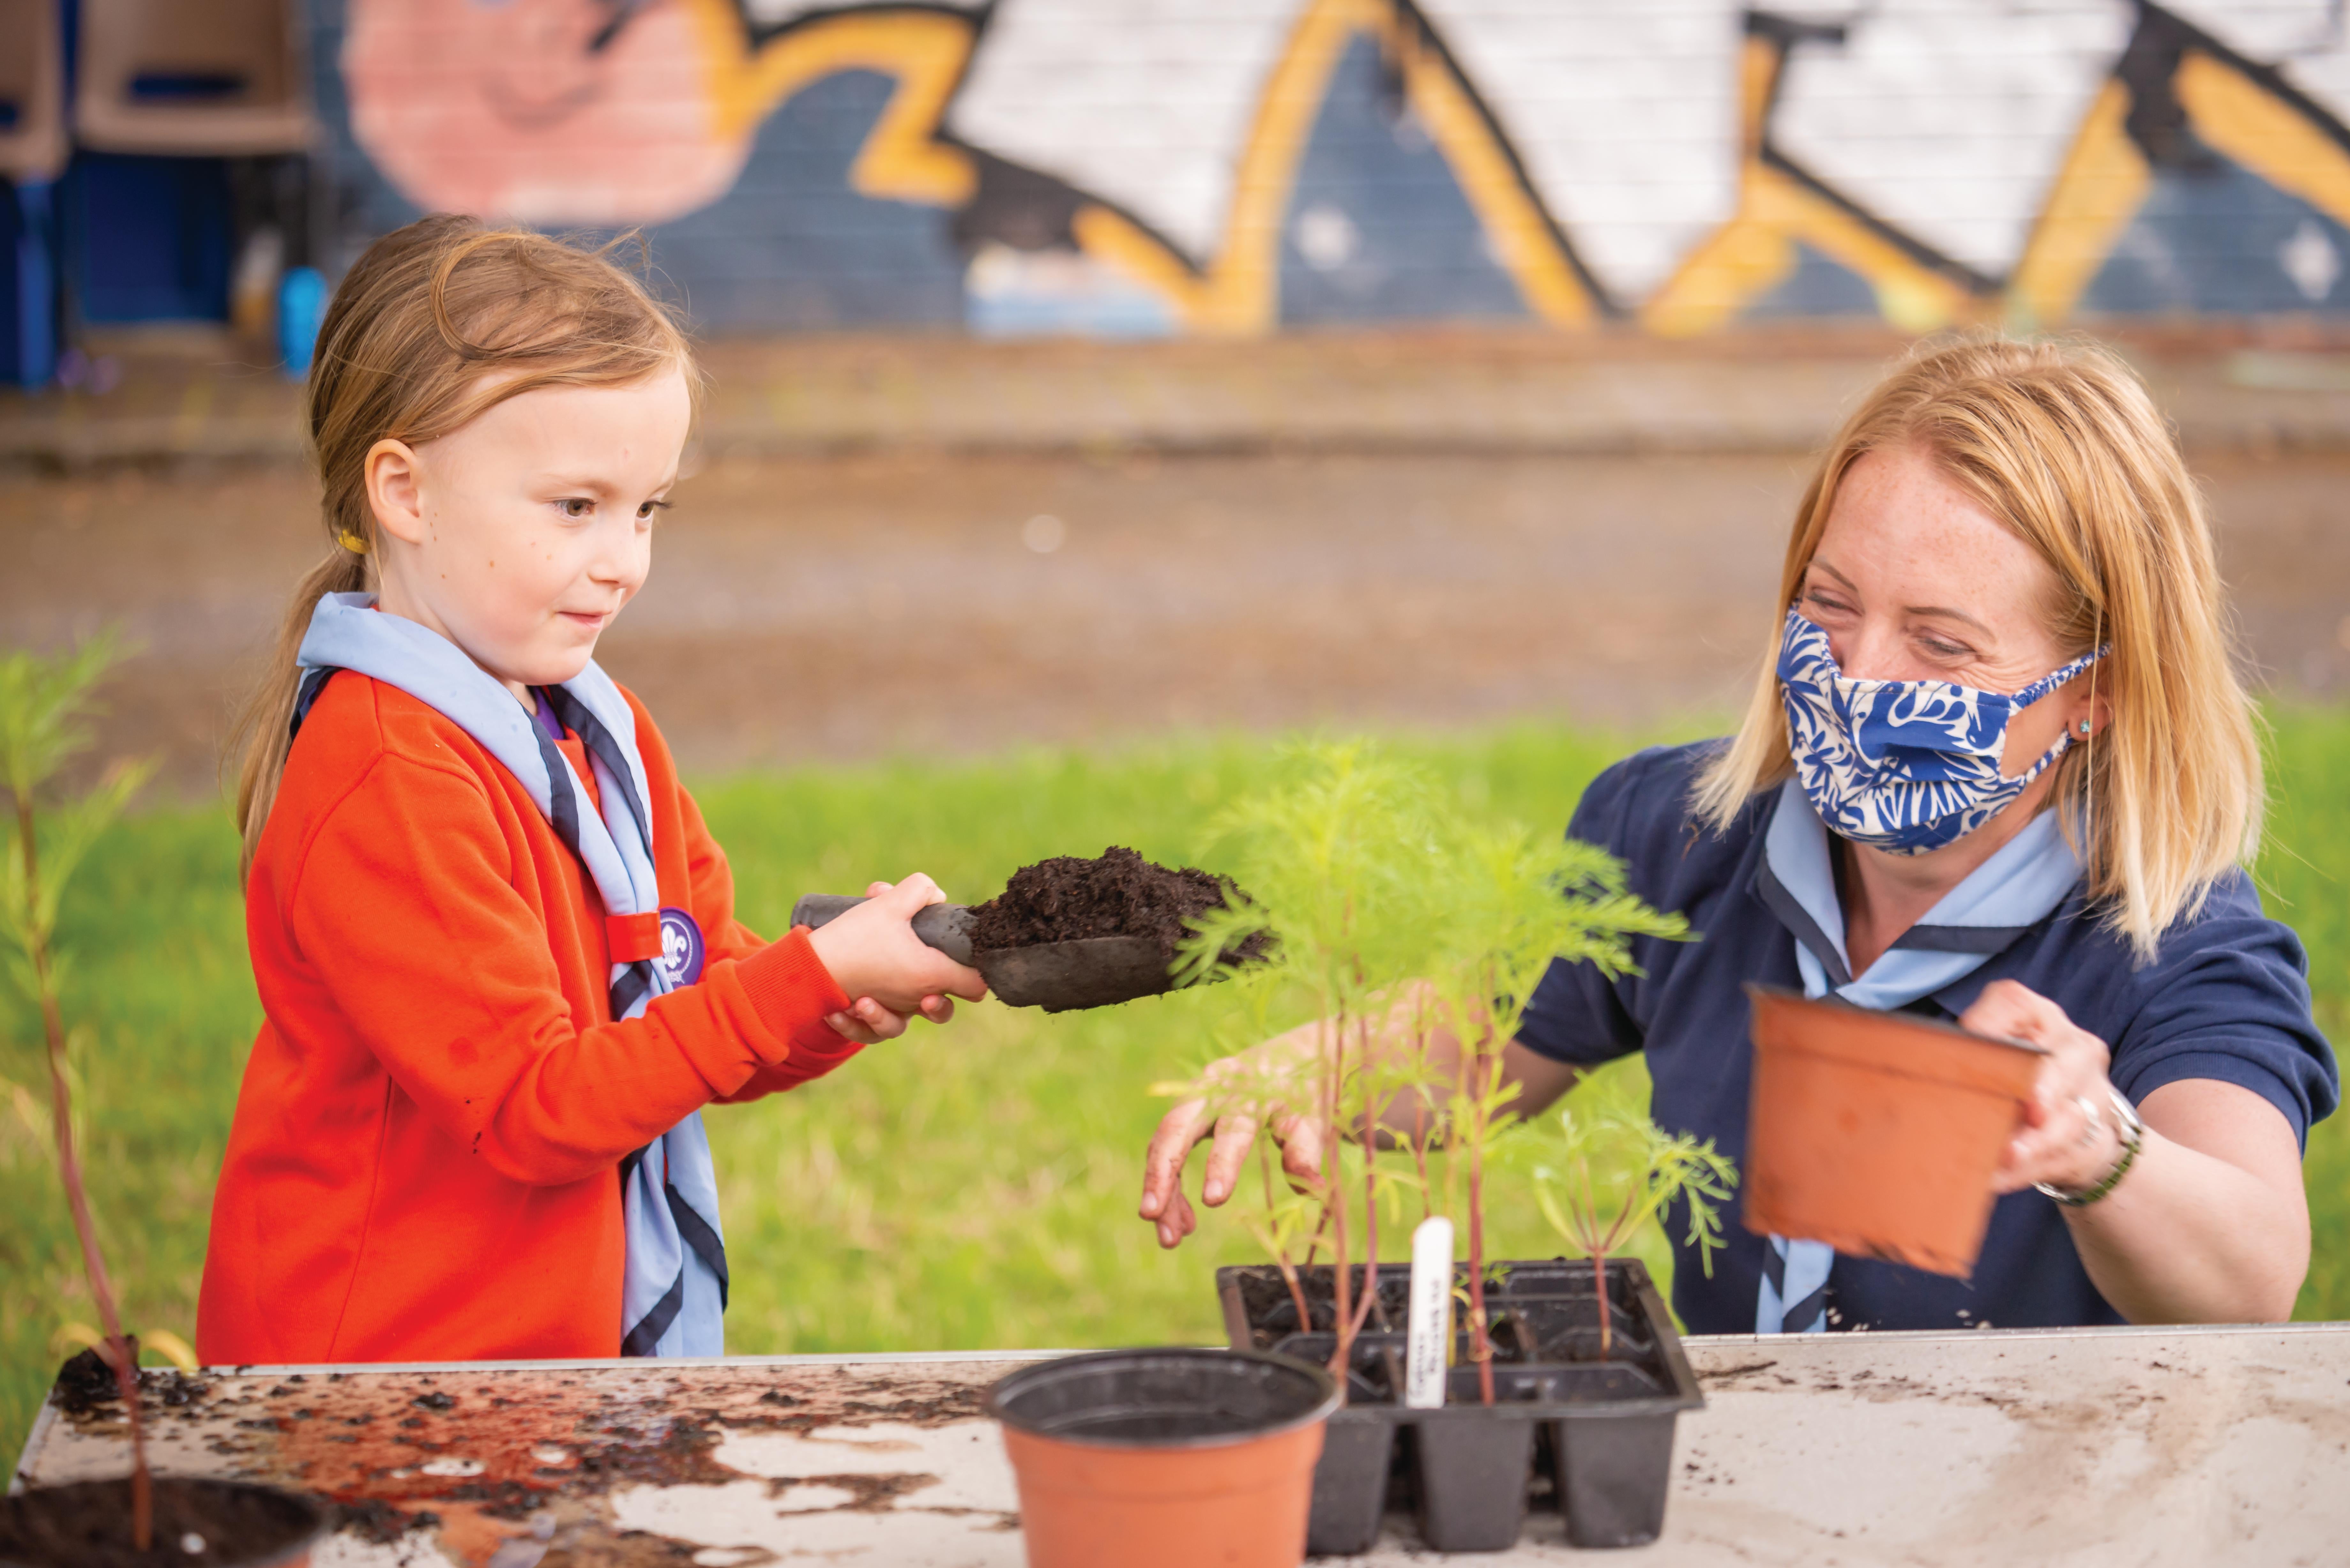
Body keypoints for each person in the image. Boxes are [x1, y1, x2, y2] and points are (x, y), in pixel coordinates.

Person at [1141, 337, 2339, 1333]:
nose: (1859, 673)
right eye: (1830, 603)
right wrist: (1310, 1069)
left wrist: (2100, 1148)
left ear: (2099, 691)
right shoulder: (1679, 841)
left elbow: (2251, 1273)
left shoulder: (2173, 945)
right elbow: (1481, 1052)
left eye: (1943, 643)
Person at [197, 216, 984, 1365]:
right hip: (370, 1381)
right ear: (406, 494)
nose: (625, 559)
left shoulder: (593, 730)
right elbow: (532, 1106)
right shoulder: (390, 775)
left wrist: (829, 995)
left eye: (648, 508)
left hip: (541, 1373)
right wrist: (808, 977)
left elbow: (690, 988)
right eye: (577, 507)